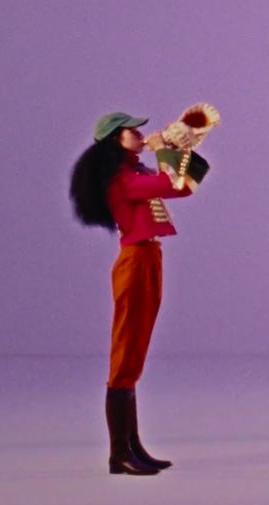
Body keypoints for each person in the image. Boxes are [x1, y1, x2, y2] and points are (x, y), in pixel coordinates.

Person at [68, 111, 197, 476]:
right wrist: (165, 151)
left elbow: (184, 186)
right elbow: (166, 185)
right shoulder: (120, 179)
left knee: (137, 349)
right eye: (132, 132)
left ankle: (132, 445)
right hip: (134, 260)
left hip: (150, 257)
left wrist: (185, 151)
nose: (141, 135)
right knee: (126, 351)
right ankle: (118, 453)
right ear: (114, 140)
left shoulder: (135, 171)